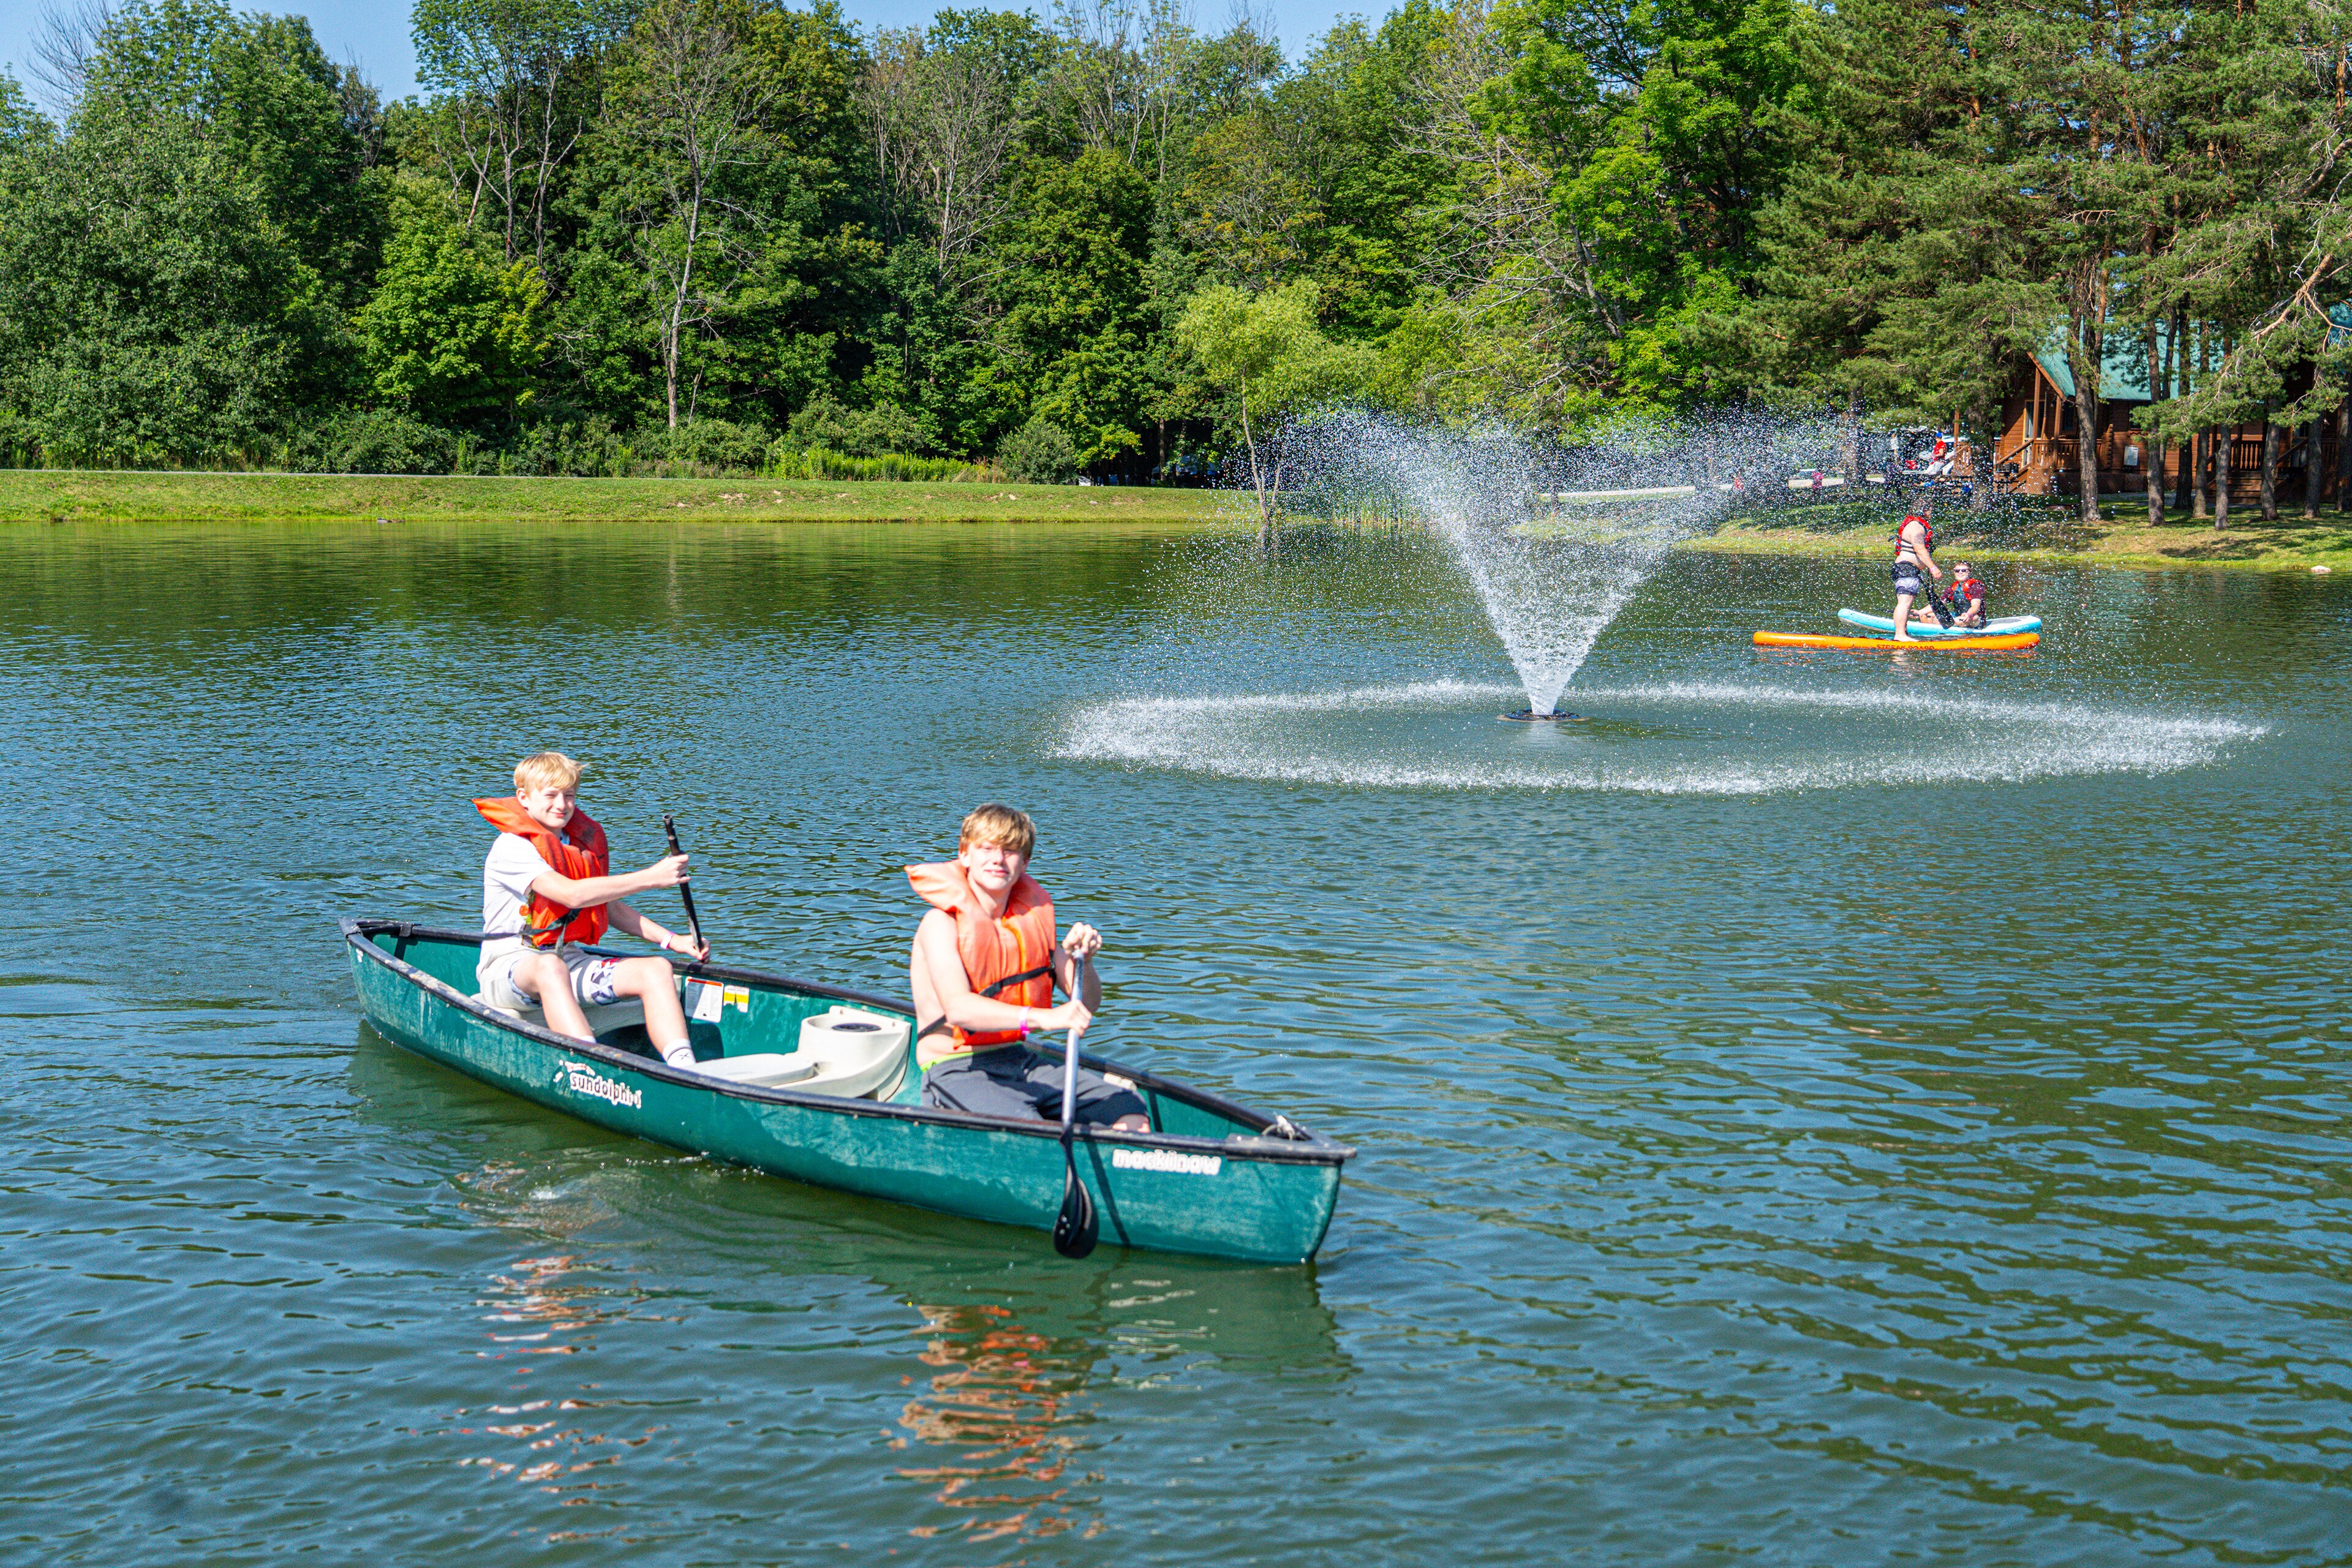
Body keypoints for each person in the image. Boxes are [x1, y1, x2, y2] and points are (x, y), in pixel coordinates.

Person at [907, 804, 1150, 1132]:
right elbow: (959, 1010)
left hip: (1018, 1059)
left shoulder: (1029, 923)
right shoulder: (940, 923)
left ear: (1025, 863)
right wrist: (1043, 1017)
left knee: (1129, 1107)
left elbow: (1088, 1003)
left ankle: (1119, 1166)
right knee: (1032, 1133)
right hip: (956, 1068)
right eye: (987, 848)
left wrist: (1085, 963)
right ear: (965, 855)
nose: (998, 859)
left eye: (1010, 851)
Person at [474, 752, 709, 1065]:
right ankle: (588, 1067)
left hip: (566, 962)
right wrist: (651, 878)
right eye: (551, 795)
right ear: (524, 798)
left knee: (656, 970)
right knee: (550, 968)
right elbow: (570, 895)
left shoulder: (574, 847)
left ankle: (685, 1071)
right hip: (508, 968)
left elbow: (607, 906)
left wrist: (673, 940)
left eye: (569, 796)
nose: (562, 805)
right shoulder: (512, 846)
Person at [1889, 510, 1945, 641]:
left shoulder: (1916, 525)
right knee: (1904, 603)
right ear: (1924, 510)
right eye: (1931, 508)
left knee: (1906, 602)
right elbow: (1920, 549)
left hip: (1907, 569)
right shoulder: (1916, 526)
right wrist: (1933, 567)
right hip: (1906, 568)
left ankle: (1903, 634)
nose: (1932, 511)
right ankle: (1900, 635)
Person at [1945, 561, 1986, 627]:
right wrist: (1922, 612)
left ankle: (1948, 623)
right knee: (1930, 615)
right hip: (1958, 617)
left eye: (1964, 570)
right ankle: (1950, 623)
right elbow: (1939, 604)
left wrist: (1969, 614)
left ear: (1969, 572)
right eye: (1957, 571)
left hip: (1973, 618)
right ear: (1954, 573)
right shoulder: (1952, 587)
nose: (1960, 572)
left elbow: (1976, 606)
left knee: (1974, 618)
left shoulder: (1975, 586)